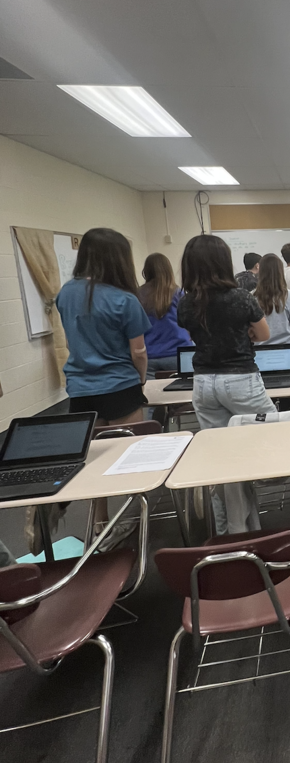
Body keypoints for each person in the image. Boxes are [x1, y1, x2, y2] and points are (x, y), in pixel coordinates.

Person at [56, 228, 150, 540]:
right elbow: (138, 351)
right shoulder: (125, 299)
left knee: (94, 458)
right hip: (119, 385)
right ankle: (130, 520)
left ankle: (100, 525)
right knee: (128, 457)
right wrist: (140, 380)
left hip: (81, 387)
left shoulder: (66, 293)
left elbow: (73, 338)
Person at [177, 235, 273, 533]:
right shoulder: (240, 297)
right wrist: (244, 336)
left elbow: (196, 335)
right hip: (240, 379)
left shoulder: (186, 302)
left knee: (222, 461)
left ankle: (229, 531)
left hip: (203, 383)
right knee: (284, 435)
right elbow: (264, 334)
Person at [138, 252, 191, 378]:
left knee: (153, 396)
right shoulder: (179, 293)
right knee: (182, 394)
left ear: (146, 271)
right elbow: (189, 324)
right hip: (178, 354)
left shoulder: (137, 295)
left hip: (149, 356)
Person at [254, 253, 290, 354]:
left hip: (260, 352)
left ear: (260, 272)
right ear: (280, 272)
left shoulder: (251, 297)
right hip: (288, 350)